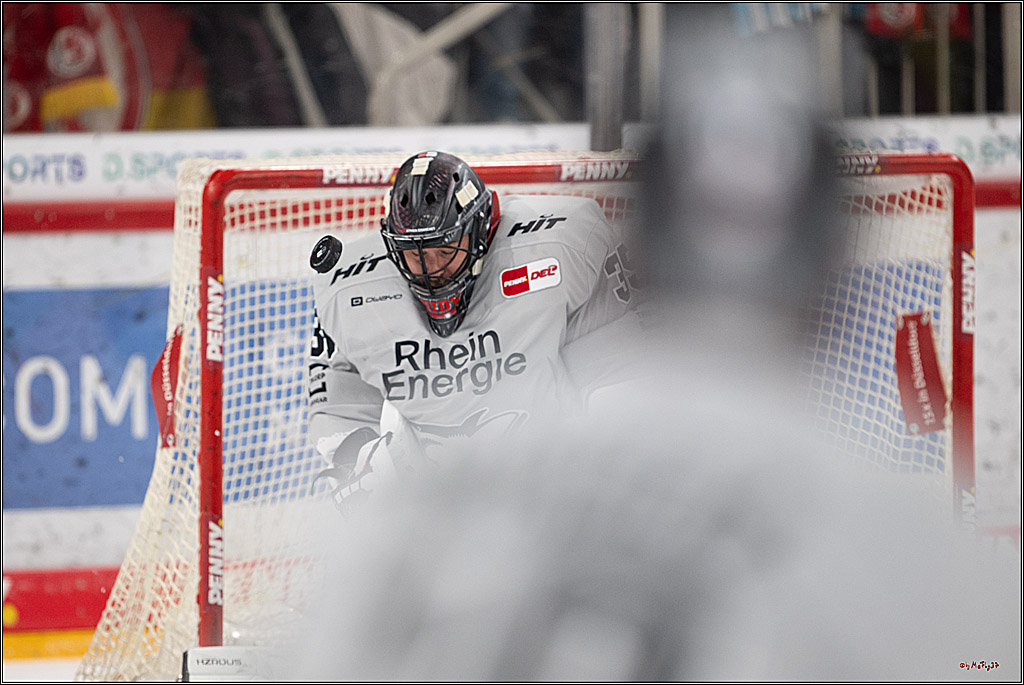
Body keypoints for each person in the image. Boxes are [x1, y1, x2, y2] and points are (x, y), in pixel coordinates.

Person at [306, 149, 639, 508]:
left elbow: (613, 370)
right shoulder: (347, 288)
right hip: (434, 508)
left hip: (556, 489)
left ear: (480, 228)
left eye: (445, 249)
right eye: (415, 255)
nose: (430, 269)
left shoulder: (561, 244)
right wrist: (358, 461)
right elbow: (340, 402)